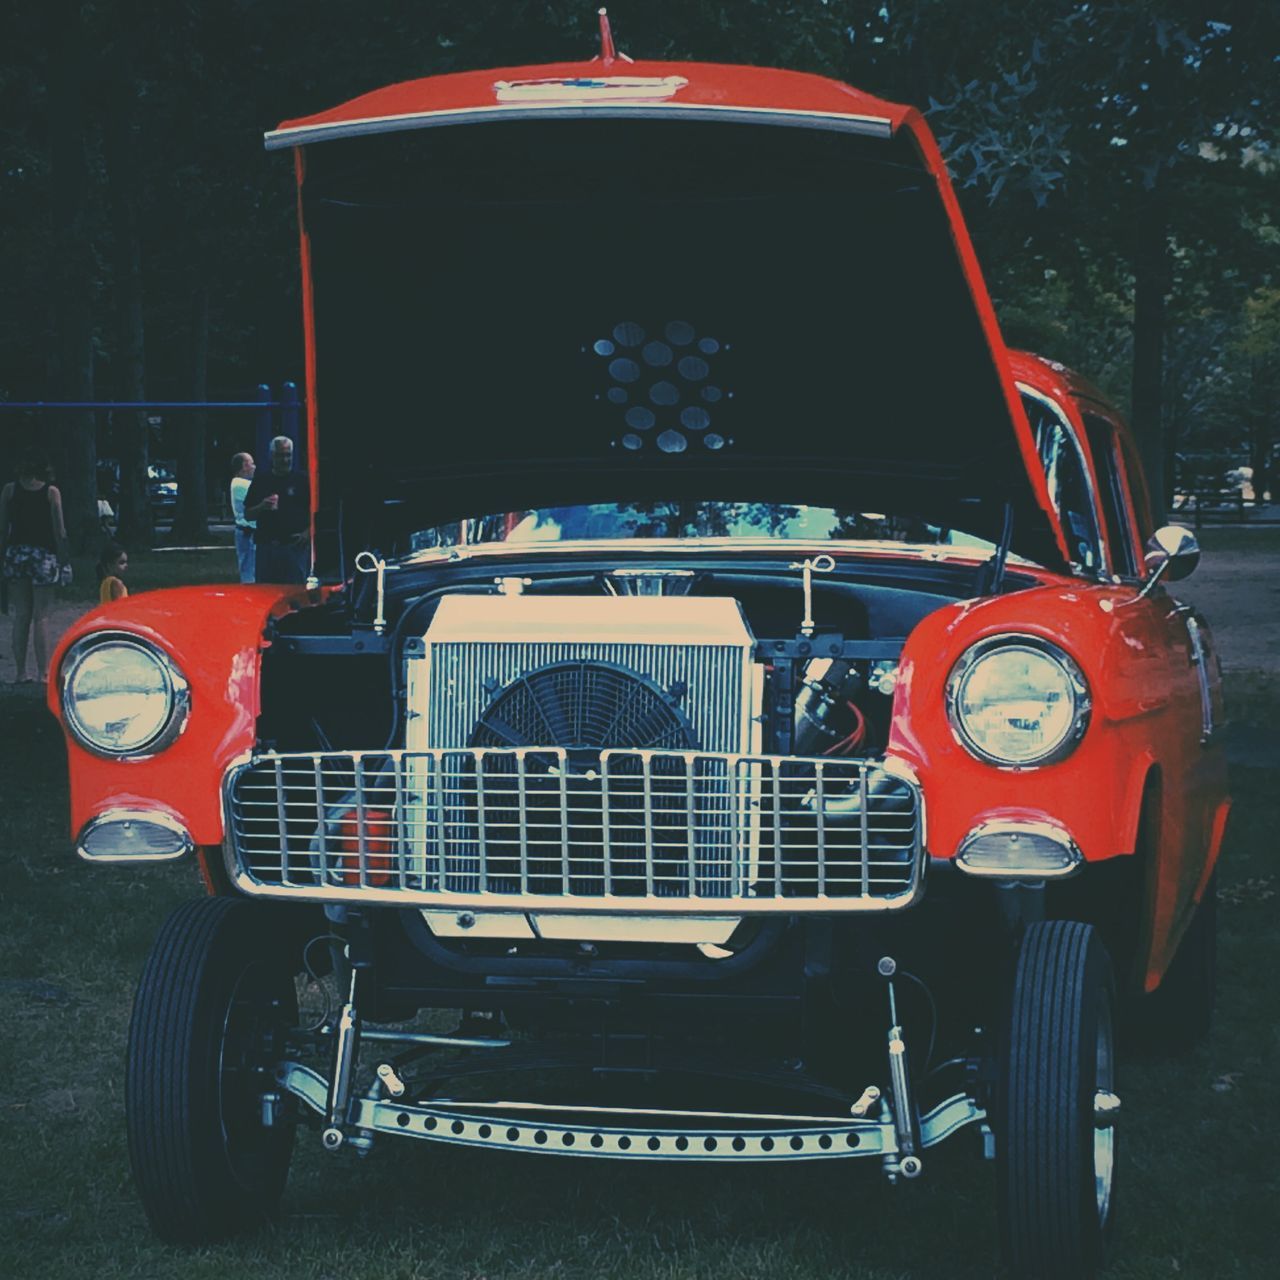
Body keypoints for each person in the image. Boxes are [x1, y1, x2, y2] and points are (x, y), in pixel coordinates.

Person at [0, 448, 70, 684]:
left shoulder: (9, 490)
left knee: (21, 614)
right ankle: (44, 672)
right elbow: (59, 531)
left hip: (17, 554)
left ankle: (21, 672)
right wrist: (65, 560)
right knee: (41, 616)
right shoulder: (51, 493)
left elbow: (3, 529)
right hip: (43, 556)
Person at [244, 435, 309, 583]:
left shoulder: (302, 480)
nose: (285, 460)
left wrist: (308, 533)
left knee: (294, 592)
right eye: (280, 456)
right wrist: (262, 506)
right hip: (267, 547)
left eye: (288, 455)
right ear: (272, 456)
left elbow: (315, 512)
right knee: (265, 591)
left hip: (294, 547)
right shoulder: (261, 481)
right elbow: (248, 515)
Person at [228, 451, 256, 583]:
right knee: (248, 570)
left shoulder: (242, 484)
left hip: (248, 533)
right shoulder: (240, 483)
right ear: (244, 466)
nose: (254, 467)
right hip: (247, 533)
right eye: (252, 464)